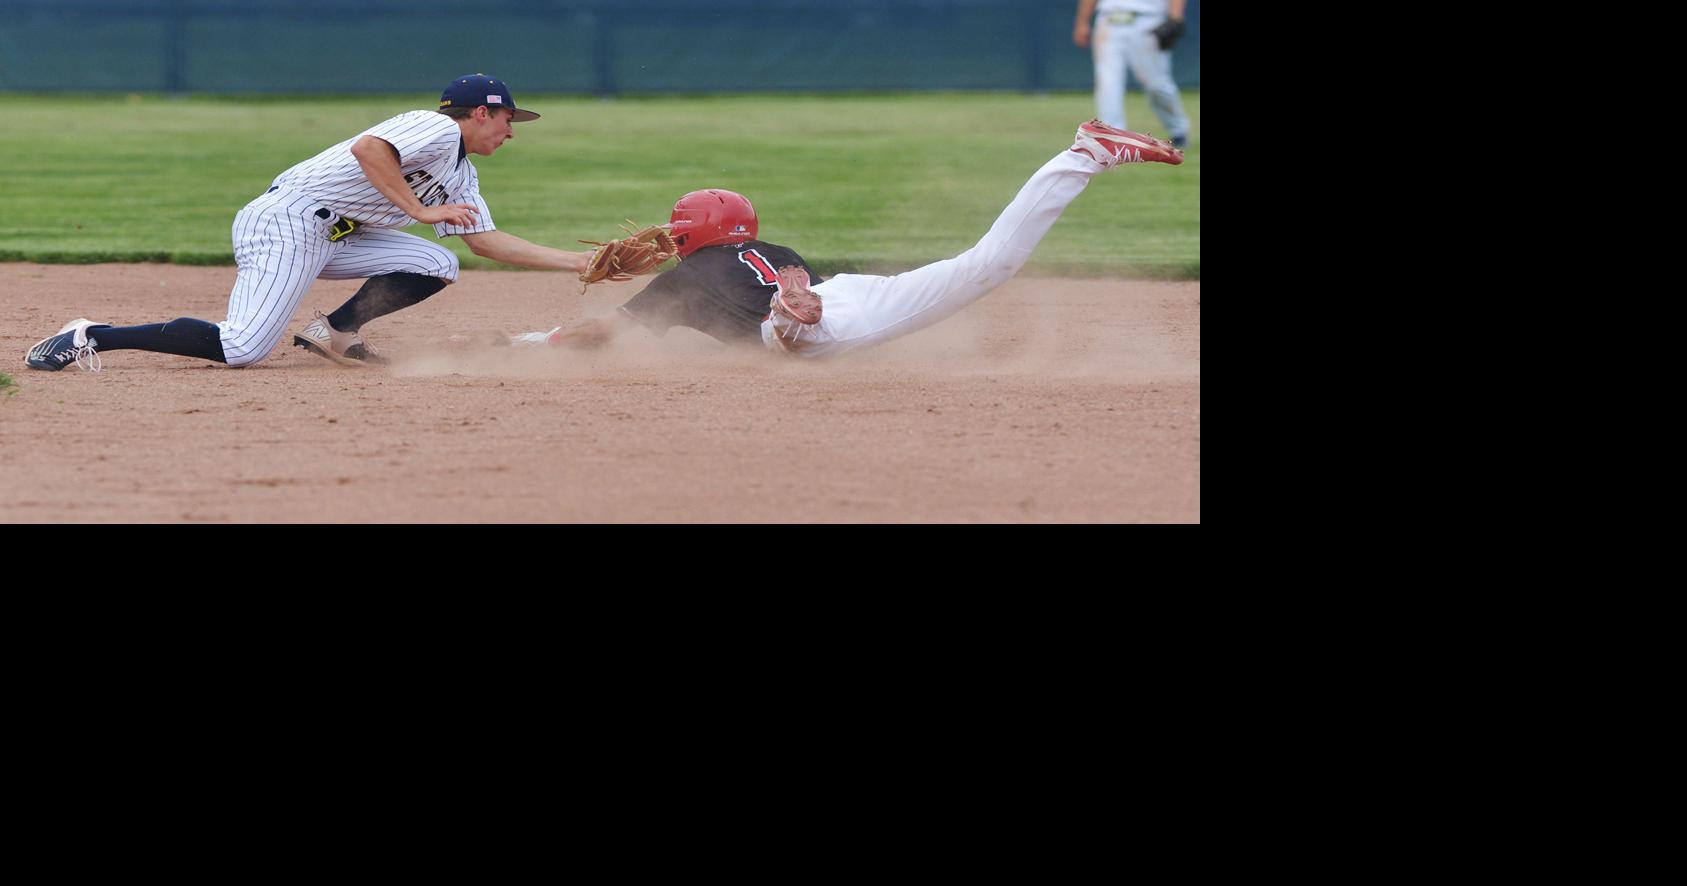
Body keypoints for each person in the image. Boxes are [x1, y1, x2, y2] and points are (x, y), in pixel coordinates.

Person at [25, 74, 610, 372]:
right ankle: (92, 333)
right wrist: (419, 210)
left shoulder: (461, 175)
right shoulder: (433, 128)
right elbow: (368, 148)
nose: (512, 131)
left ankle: (336, 331)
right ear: (480, 112)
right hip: (286, 223)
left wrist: (579, 261)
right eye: (509, 119)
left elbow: (484, 240)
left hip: (333, 236)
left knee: (439, 260)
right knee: (242, 348)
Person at [513, 120, 1182, 358]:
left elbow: (602, 338)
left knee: (792, 338)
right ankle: (1082, 156)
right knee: (986, 263)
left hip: (817, 327)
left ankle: (791, 320)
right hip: (849, 291)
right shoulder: (772, 253)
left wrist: (527, 343)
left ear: (689, 237)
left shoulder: (682, 279)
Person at [1073, 0, 1191, 149]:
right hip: (1108, 19)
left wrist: (1175, 17)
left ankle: (1178, 129)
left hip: (1149, 20)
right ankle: (1113, 137)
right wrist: (1082, 22)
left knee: (1156, 84)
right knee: (1108, 82)